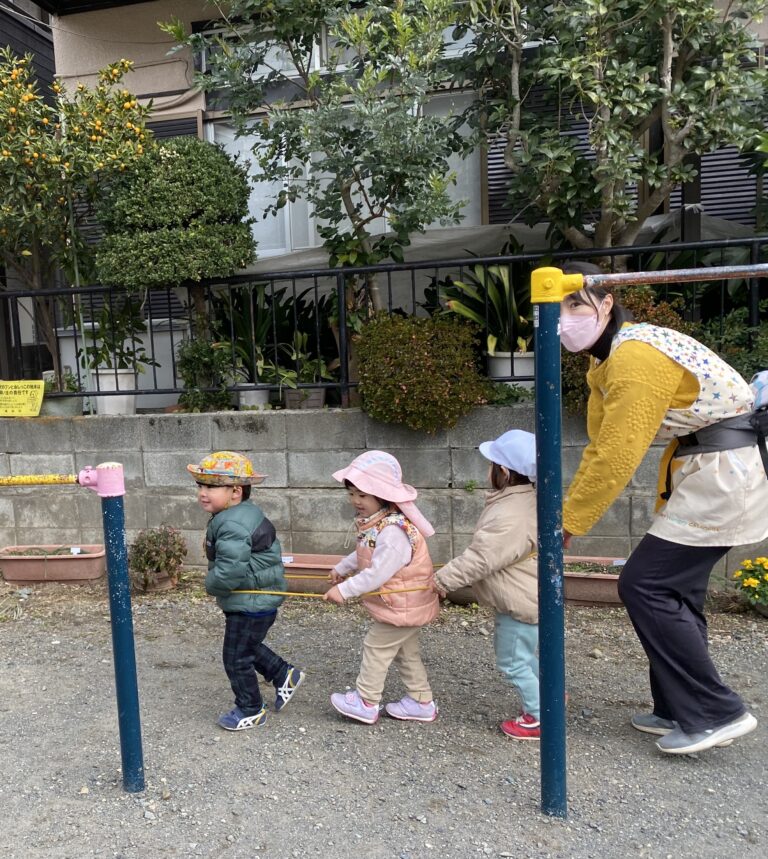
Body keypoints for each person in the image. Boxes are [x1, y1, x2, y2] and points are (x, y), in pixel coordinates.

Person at [559, 261, 767, 755]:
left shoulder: (634, 357)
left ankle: (716, 711)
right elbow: (599, 440)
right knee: (677, 592)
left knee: (645, 584)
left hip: (723, 474)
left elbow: (617, 451)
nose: (564, 318)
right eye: (555, 307)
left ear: (606, 304)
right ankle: (677, 707)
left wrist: (568, 522)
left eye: (575, 303)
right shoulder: (607, 357)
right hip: (708, 470)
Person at [433, 430, 541, 740]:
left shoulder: (510, 514)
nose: (487, 470)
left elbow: (482, 558)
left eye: (491, 464)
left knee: (512, 663)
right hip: (525, 596)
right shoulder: (522, 500)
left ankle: (537, 716)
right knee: (526, 656)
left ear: (503, 472)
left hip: (517, 602)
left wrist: (441, 580)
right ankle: (549, 699)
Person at [187, 451, 305, 731]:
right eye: (201, 486)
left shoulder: (232, 522)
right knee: (246, 646)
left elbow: (230, 571)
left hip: (251, 600)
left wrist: (210, 585)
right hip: (256, 598)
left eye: (212, 486)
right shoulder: (235, 514)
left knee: (236, 656)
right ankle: (283, 674)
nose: (203, 493)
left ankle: (251, 709)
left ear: (236, 491)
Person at [323, 450, 440, 725]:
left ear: (382, 495)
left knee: (375, 646)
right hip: (401, 604)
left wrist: (345, 589)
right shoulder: (378, 525)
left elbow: (378, 572)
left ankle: (366, 701)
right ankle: (422, 702)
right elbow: (365, 551)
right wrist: (342, 568)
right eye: (351, 493)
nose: (355, 501)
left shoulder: (393, 531)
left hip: (403, 603)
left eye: (363, 495)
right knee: (405, 652)